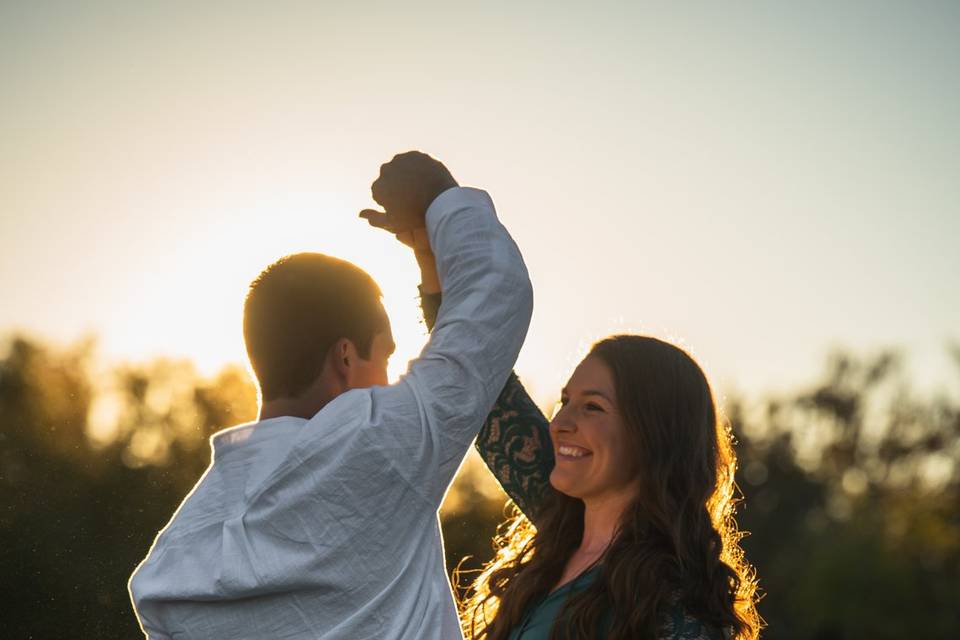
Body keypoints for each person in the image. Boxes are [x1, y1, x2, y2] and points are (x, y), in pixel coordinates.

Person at [128, 151, 533, 639]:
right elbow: (496, 290)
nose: (388, 381)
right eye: (383, 358)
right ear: (345, 357)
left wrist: (428, 255)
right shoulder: (374, 446)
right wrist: (443, 195)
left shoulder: (180, 547)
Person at [400, 239, 760, 639]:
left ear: (654, 434)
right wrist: (428, 252)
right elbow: (487, 386)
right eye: (565, 401)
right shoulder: (561, 530)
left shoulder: (677, 608)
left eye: (593, 407)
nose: (560, 424)